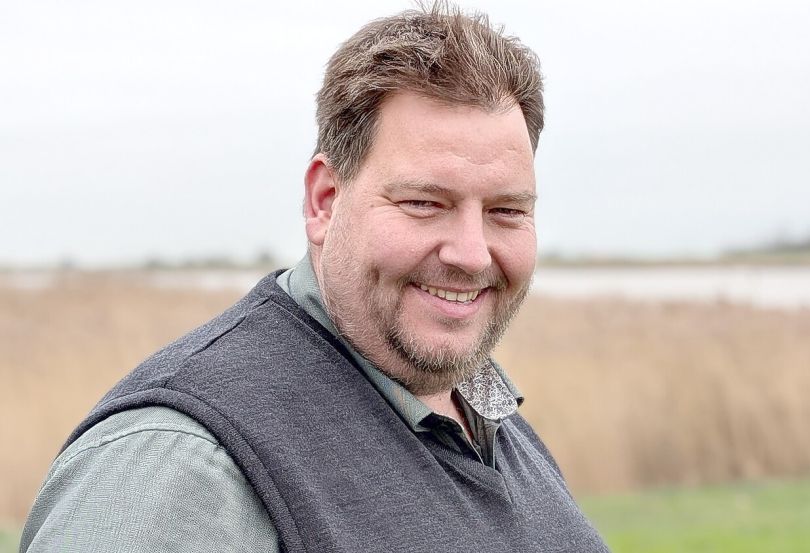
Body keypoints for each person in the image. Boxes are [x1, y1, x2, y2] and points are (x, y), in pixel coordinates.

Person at [20, 4, 609, 552]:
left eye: (507, 211)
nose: (472, 254)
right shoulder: (181, 469)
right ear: (324, 200)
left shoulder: (484, 414)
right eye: (424, 203)